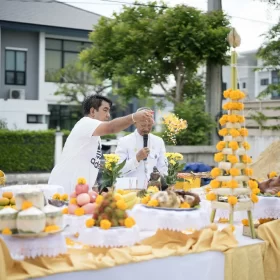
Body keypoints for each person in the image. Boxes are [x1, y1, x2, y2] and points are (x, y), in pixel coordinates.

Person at [48, 95, 153, 194]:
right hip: (64, 188)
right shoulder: (86, 123)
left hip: (79, 190)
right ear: (93, 111)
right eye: (105, 110)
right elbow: (111, 127)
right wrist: (134, 117)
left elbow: (91, 162)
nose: (108, 115)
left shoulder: (94, 134)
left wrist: (93, 186)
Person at [115, 107, 168, 189]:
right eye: (143, 125)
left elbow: (163, 168)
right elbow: (118, 170)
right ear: (135, 123)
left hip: (153, 190)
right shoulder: (124, 141)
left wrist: (164, 182)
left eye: (149, 125)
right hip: (131, 190)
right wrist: (136, 159)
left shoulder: (158, 141)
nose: (146, 129)